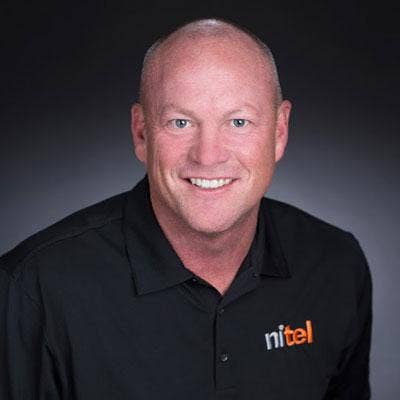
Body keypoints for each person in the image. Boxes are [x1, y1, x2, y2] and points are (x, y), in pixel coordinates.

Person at [0, 18, 372, 399]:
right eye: (180, 122)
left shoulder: (336, 267)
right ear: (141, 133)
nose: (208, 156)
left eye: (238, 122)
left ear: (279, 131)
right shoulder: (34, 291)